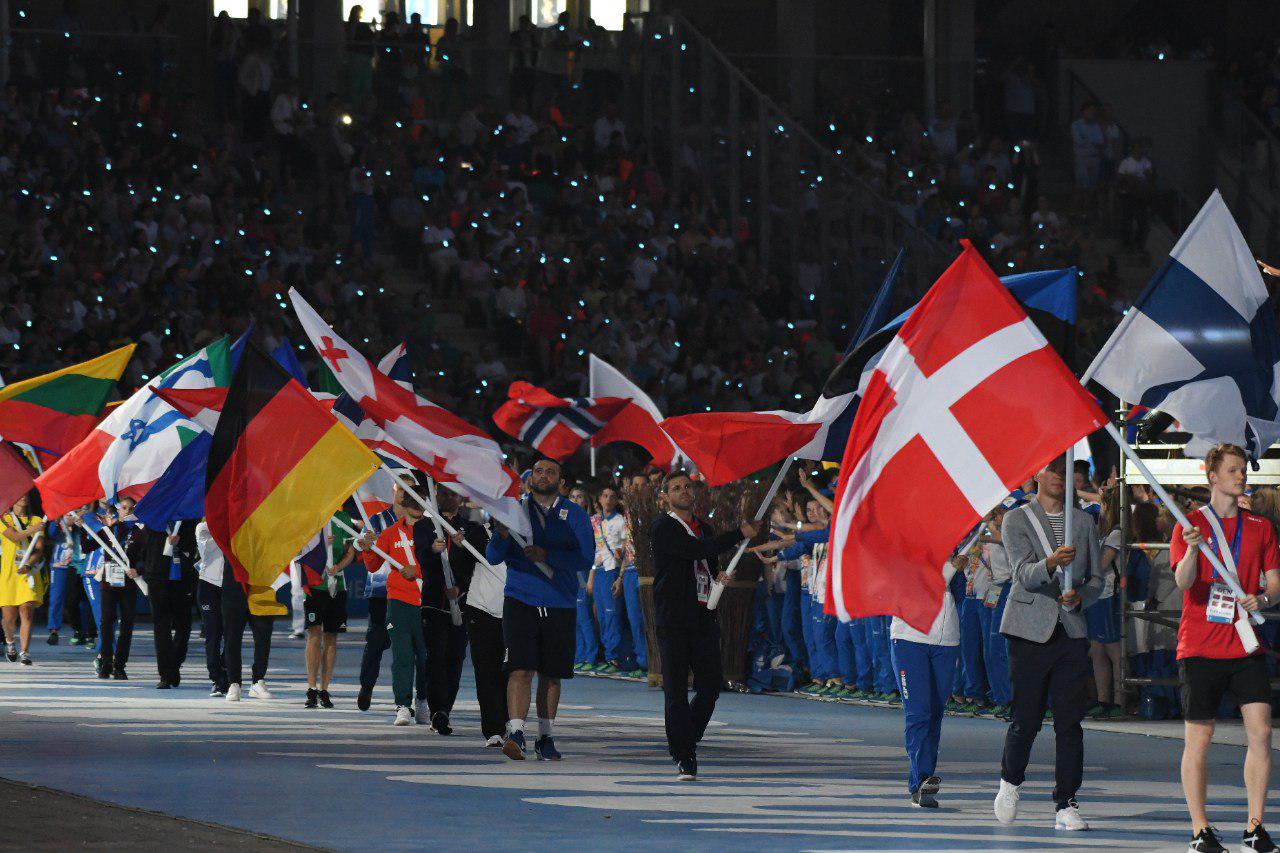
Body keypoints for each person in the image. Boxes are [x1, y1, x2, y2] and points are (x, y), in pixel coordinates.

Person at [1170, 444, 1280, 853]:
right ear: (1212, 477)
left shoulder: (1260, 526)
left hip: (1245, 643)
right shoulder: (1189, 524)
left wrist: (1263, 600)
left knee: (1262, 732)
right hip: (1199, 645)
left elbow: (1274, 583)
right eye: (1232, 470)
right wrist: (1194, 547)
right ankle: (1200, 829)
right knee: (1199, 738)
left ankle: (1255, 826)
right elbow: (1183, 583)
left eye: (1242, 470)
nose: (1241, 476)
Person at [994, 455, 1103, 832]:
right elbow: (1022, 574)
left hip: (1070, 631)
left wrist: (1081, 598)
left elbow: (1097, 579)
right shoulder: (1016, 519)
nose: (1060, 476)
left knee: (1070, 722)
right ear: (1037, 472)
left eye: (1066, 470)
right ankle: (1010, 782)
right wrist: (1053, 563)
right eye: (1053, 469)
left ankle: (1066, 802)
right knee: (1026, 719)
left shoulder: (1085, 521)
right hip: (1028, 631)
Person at [650, 471, 757, 781]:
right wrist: (740, 532)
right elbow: (693, 551)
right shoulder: (663, 528)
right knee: (675, 690)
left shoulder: (703, 528)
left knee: (710, 685)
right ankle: (684, 754)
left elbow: (704, 564)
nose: (684, 491)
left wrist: (718, 578)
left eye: (687, 486)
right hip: (673, 619)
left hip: (703, 616)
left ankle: (687, 737)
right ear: (665, 496)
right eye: (676, 488)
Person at [486, 457, 593, 761]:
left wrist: (549, 555)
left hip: (559, 601)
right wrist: (502, 535)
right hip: (520, 598)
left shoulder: (574, 515)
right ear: (530, 478)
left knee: (552, 673)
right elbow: (493, 557)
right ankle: (516, 732)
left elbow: (585, 559)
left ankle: (545, 736)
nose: (543, 475)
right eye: (538, 471)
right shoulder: (514, 511)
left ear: (561, 483)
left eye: (551, 472)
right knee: (520, 667)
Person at [890, 544, 968, 807]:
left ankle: (924, 781)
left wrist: (958, 571)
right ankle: (920, 779)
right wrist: (950, 569)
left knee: (935, 713)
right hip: (909, 638)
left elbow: (959, 596)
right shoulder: (904, 551)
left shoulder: (953, 551)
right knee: (918, 713)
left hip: (946, 641)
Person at [415, 486, 485, 734]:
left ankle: (446, 708)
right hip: (434, 602)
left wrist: (461, 586)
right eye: (444, 493)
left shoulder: (473, 529)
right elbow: (422, 557)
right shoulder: (424, 527)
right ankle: (437, 711)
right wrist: (433, 551)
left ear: (461, 497)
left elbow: (481, 562)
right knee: (435, 658)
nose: (449, 497)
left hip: (463, 603)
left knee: (455, 659)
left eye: (454, 493)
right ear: (435, 494)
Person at [363, 472, 428, 726]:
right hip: (399, 601)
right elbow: (372, 565)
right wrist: (368, 548)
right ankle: (402, 705)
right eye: (407, 498)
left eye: (416, 498)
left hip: (427, 601)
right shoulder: (389, 533)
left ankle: (422, 700)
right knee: (402, 655)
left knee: (424, 656)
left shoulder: (434, 531)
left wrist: (419, 571)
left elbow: (445, 564)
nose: (412, 503)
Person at [302, 515, 356, 709]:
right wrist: (319, 544)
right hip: (315, 583)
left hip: (337, 586)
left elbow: (350, 552)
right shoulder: (312, 516)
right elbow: (298, 548)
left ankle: (324, 689)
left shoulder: (343, 520)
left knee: (331, 637)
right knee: (314, 633)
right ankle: (311, 688)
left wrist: (338, 567)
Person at [356, 491, 401, 710]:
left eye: (408, 489)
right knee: (375, 641)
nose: (405, 494)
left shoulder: (421, 520)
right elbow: (359, 543)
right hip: (380, 590)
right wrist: (364, 542)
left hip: (409, 591)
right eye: (401, 489)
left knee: (408, 647)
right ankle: (366, 687)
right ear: (394, 491)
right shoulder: (377, 519)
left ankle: (409, 699)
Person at [466, 519, 509, 747]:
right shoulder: (475, 533)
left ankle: (512, 723)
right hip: (480, 609)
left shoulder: (524, 535)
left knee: (512, 672)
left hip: (514, 609)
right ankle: (493, 729)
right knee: (486, 672)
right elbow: (460, 562)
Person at [144, 520, 198, 689]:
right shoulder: (154, 517)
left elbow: (194, 543)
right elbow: (146, 546)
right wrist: (165, 543)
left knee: (184, 625)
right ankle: (165, 673)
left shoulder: (188, 519)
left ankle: (174, 663)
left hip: (182, 577)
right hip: (157, 576)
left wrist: (179, 541)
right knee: (161, 626)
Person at [589, 485, 636, 674]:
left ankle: (615, 656)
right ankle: (609, 655)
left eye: (612, 496)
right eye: (605, 495)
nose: (608, 499)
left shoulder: (620, 521)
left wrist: (620, 552)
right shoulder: (595, 521)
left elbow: (626, 544)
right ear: (599, 499)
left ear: (616, 500)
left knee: (612, 614)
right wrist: (591, 576)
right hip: (599, 570)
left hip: (613, 570)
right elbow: (597, 549)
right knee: (601, 615)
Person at [96, 499, 145, 681]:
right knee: (106, 623)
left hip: (128, 584)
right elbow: (87, 546)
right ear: (118, 509)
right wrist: (85, 526)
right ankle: (105, 662)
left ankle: (120, 665)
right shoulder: (110, 529)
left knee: (126, 625)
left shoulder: (139, 534)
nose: (128, 511)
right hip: (108, 582)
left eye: (131, 508)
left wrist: (138, 569)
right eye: (124, 508)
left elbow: (146, 558)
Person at [0, 492, 45, 665]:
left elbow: (39, 548)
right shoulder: (5, 519)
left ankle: (25, 652)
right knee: (8, 617)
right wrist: (33, 530)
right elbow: (14, 537)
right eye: (19, 495)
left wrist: (29, 564)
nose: (23, 497)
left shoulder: (36, 520)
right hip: (9, 573)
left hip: (27, 572)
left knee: (26, 611)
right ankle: (10, 642)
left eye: (26, 495)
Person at [195, 518, 229, 696]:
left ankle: (227, 669)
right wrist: (226, 529)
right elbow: (208, 551)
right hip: (209, 584)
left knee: (231, 632)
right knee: (212, 633)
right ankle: (216, 677)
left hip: (230, 584)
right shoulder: (202, 527)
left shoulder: (233, 524)